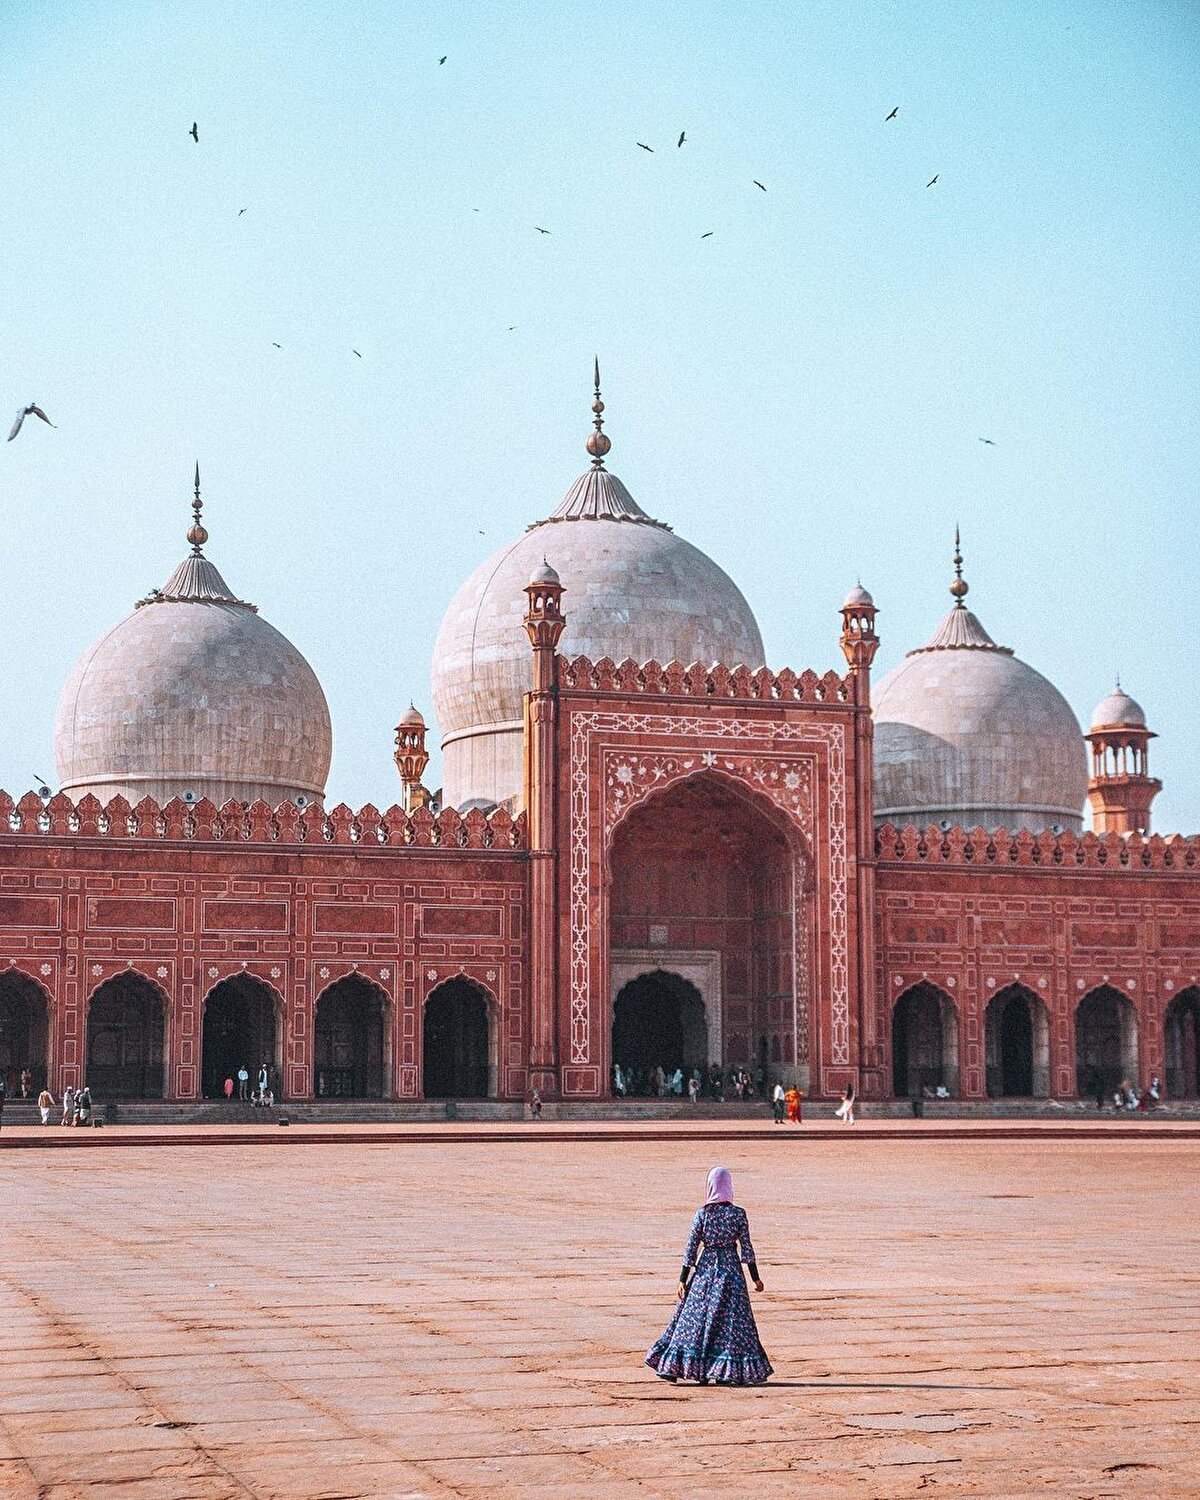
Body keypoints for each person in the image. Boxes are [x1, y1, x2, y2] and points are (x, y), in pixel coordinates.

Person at [646, 1166, 772, 1385]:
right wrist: (755, 1278)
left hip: (705, 1272)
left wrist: (682, 1279)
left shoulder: (703, 1214)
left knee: (694, 1321)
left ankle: (681, 1366)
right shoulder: (738, 1215)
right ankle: (725, 1370)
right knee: (732, 1325)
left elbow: (691, 1248)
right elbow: (747, 1249)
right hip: (731, 1273)